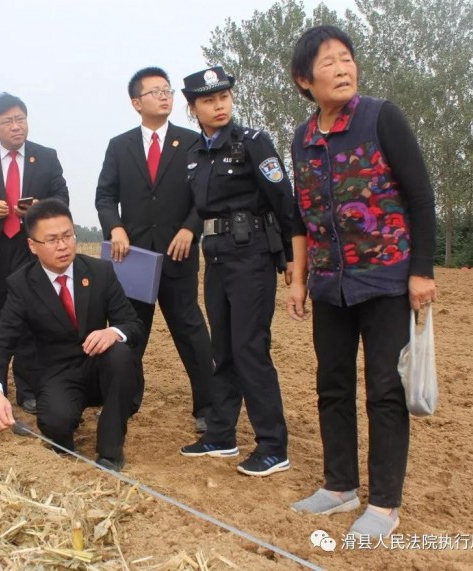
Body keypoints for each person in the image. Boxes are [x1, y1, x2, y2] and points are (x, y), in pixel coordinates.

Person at [287, 25, 437, 537]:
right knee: (331, 384)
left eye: (347, 58)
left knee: (384, 390)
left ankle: (385, 504)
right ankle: (339, 487)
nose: (342, 68)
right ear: (304, 79)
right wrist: (299, 279)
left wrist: (421, 271)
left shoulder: (381, 117)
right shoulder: (303, 138)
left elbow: (421, 196)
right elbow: (301, 213)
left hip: (386, 279)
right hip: (330, 285)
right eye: (328, 62)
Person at [178, 66, 295, 477]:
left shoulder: (252, 142)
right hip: (216, 258)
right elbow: (200, 208)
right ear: (193, 108)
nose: (219, 105)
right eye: (208, 100)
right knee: (223, 349)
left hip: (252, 257)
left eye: (224, 97)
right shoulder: (195, 154)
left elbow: (283, 198)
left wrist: (291, 258)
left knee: (249, 348)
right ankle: (221, 435)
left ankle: (273, 445)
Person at [0, 199, 144, 471]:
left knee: (119, 353)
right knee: (57, 426)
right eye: (52, 240)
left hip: (99, 365)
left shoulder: (100, 272)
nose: (63, 245)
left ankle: (110, 449)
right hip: (56, 373)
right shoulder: (21, 285)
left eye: (68, 236)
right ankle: (64, 420)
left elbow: (132, 324)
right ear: (32, 245)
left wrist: (113, 331)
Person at [95, 67, 214, 431]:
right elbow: (105, 196)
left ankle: (208, 408)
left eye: (167, 90)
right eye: (155, 91)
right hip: (133, 258)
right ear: (136, 103)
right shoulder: (120, 146)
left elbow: (205, 195)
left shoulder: (192, 142)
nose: (164, 96)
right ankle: (124, 404)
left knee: (190, 331)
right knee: (130, 333)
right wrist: (115, 227)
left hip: (178, 254)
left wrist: (190, 229)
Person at [0, 92, 69, 414]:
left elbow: (61, 196)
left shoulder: (46, 157)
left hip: (30, 247)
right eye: (8, 121)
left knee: (32, 318)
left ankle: (28, 389)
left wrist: (40, 208)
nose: (16, 126)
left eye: (21, 119)